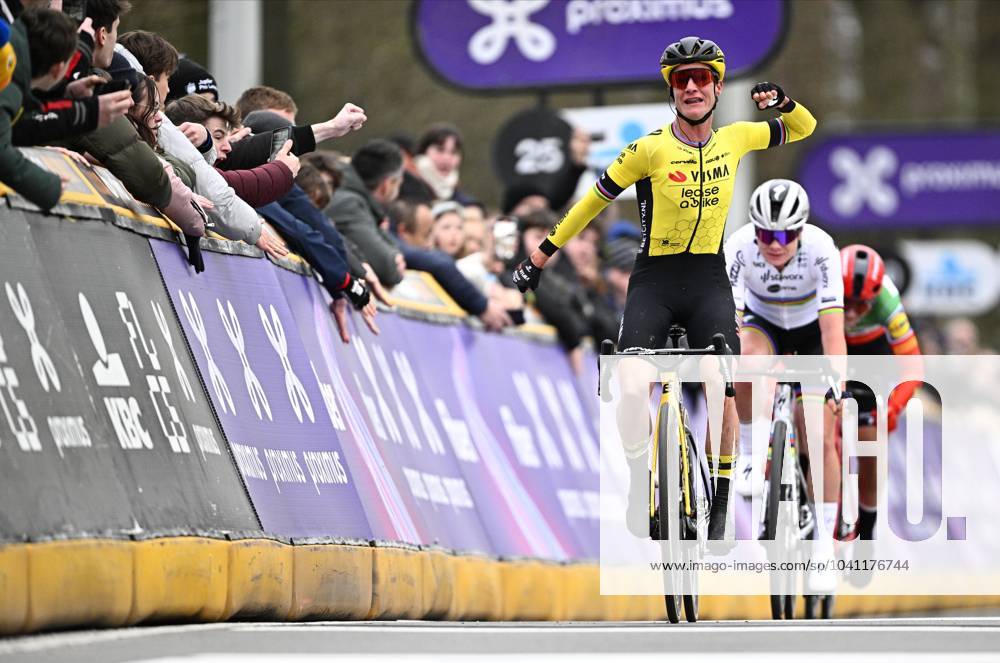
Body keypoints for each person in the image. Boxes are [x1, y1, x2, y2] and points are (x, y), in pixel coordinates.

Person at [511, 36, 818, 541]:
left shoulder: (738, 137)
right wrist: (541, 254)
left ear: (718, 87)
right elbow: (589, 204)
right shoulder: (649, 149)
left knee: (722, 384)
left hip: (707, 279)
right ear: (672, 91)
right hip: (654, 279)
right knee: (632, 388)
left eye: (701, 78)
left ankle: (719, 497)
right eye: (682, 80)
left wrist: (781, 103)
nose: (692, 87)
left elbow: (805, 126)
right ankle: (639, 479)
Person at [725, 179, 844, 590]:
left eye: (785, 235)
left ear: (801, 230)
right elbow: (733, 321)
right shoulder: (739, 247)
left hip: (811, 328)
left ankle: (825, 546)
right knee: (746, 359)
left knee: (819, 431)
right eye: (765, 234)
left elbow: (832, 331)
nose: (774, 244)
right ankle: (750, 456)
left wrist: (837, 380)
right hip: (764, 322)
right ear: (754, 229)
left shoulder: (822, 249)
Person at [841, 244, 921, 542]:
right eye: (845, 301)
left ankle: (868, 528)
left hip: (870, 352)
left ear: (873, 298)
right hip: (828, 341)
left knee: (870, 444)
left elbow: (913, 368)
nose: (850, 312)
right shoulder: (821, 282)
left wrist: (892, 408)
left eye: (861, 306)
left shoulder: (888, 300)